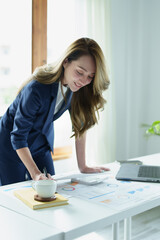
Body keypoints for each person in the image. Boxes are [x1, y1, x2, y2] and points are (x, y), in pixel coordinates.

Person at [0, 37, 110, 186]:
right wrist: (36, 173)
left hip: (41, 143)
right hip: (11, 145)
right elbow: (18, 136)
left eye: (90, 76)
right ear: (66, 62)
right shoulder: (36, 89)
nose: (84, 81)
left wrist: (83, 166)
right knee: (17, 194)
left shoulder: (77, 88)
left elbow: (80, 126)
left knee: (51, 189)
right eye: (79, 72)